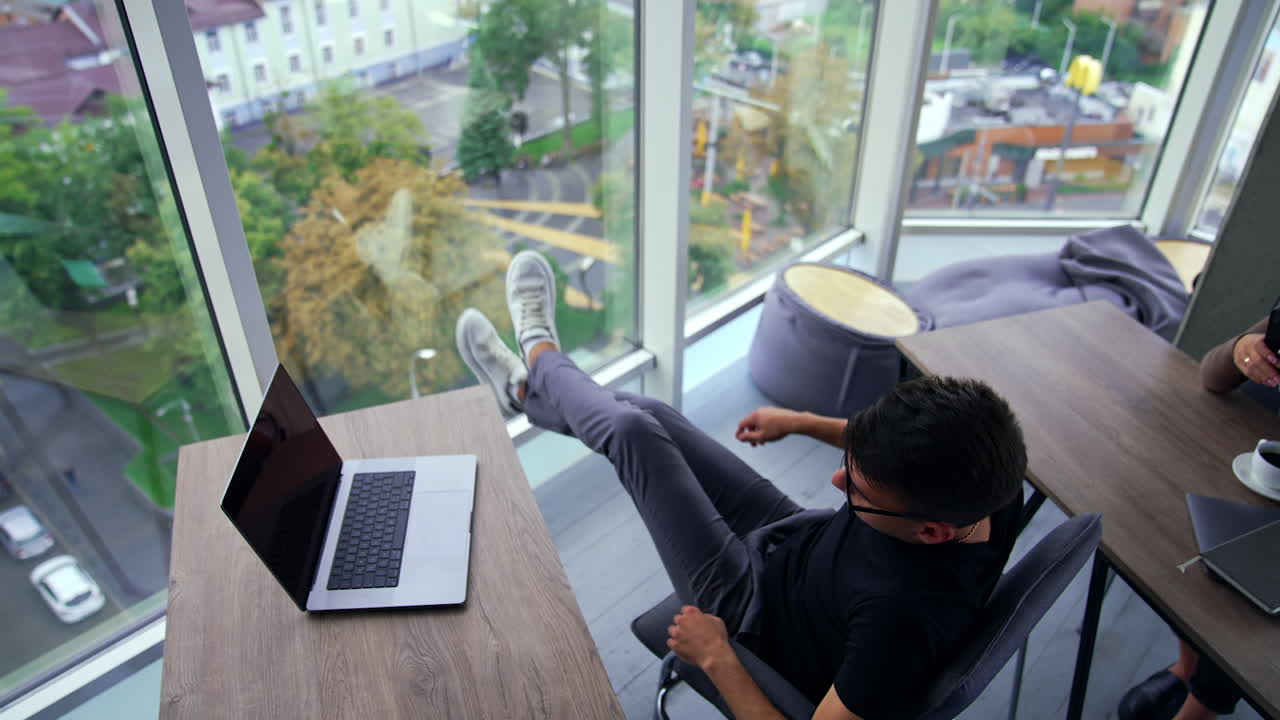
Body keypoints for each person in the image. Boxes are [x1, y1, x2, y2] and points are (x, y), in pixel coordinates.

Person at [456, 251, 1027, 720]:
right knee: (645, 410)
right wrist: (801, 421)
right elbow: (891, 452)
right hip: (796, 542)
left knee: (630, 432)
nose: (836, 478)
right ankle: (528, 391)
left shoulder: (897, 629)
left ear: (930, 531)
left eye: (856, 492)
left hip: (748, 607)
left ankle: (539, 351)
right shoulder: (989, 477)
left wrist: (717, 656)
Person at [1118, 317, 1278, 720]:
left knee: (1250, 603)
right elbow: (1212, 375)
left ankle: (1201, 706)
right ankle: (1187, 666)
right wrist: (1243, 347)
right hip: (1249, 470)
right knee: (1169, 535)